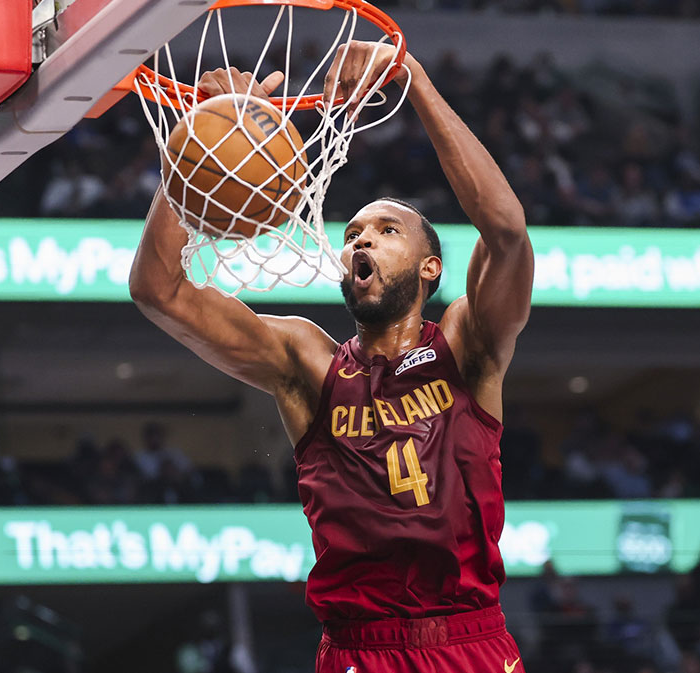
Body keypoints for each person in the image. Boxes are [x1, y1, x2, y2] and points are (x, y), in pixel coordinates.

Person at [130, 40, 534, 673]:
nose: (362, 239)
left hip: (469, 641)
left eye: (385, 230)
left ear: (430, 268)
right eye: (353, 234)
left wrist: (415, 81)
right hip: (359, 650)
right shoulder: (307, 362)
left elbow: (506, 231)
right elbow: (159, 292)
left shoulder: (466, 343)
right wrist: (201, 148)